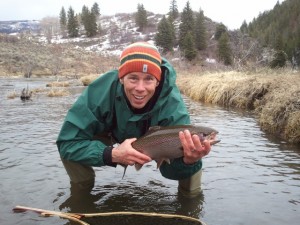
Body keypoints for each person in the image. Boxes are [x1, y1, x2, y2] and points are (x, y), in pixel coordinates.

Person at [56, 41, 213, 198]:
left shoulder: (173, 106)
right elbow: (67, 143)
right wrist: (111, 154)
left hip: (159, 142)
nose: (140, 88)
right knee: (72, 151)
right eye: (133, 78)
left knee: (193, 153)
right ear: (121, 78)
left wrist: (188, 161)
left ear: (157, 82)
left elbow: (169, 172)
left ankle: (190, 203)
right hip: (109, 133)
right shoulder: (99, 92)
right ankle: (81, 193)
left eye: (148, 79)